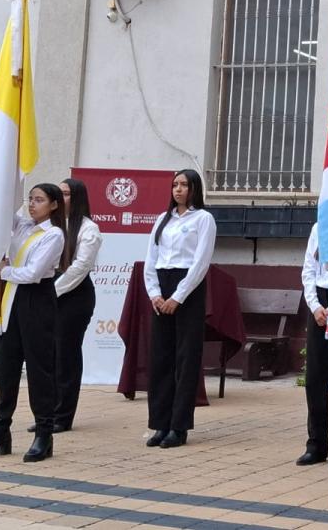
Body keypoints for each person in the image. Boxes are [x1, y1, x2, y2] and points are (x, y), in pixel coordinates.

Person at [0, 183, 66, 463]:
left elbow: (33, 273)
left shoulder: (53, 234)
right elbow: (3, 208)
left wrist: (4, 271)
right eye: (31, 199)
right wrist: (9, 174)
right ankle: (0, 431)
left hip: (37, 301)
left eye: (40, 200)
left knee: (39, 371)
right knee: (7, 369)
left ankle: (44, 434)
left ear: (53, 205)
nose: (32, 204)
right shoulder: (23, 226)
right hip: (12, 299)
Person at [143, 169, 217, 449]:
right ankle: (160, 423)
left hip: (187, 289)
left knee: (185, 359)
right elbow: (151, 258)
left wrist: (178, 296)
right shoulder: (163, 219)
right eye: (175, 185)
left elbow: (200, 263)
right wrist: (155, 293)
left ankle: (179, 426)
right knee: (161, 357)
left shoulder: (203, 219)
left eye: (184, 185)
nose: (178, 189)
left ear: (194, 188)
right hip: (162, 286)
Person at [48, 178, 102, 433]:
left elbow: (80, 268)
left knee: (66, 355)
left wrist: (52, 291)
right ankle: (47, 412)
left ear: (77, 197)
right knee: (49, 355)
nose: (61, 197)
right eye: (58, 193)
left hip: (74, 297)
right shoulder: (52, 225)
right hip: (50, 294)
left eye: (66, 193)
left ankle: (63, 415)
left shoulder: (89, 229)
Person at [298, 222, 328, 469]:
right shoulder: (319, 226)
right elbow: (309, 269)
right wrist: (315, 306)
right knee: (316, 376)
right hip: (319, 300)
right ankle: (316, 442)